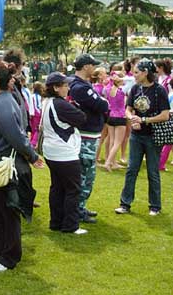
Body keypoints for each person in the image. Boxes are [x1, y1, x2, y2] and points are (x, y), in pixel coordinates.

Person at [0, 60, 43, 273]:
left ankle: (10, 257)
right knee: (0, 210)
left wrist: (32, 156)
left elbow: (15, 135)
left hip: (6, 166)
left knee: (8, 211)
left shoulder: (3, 102)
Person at [115, 60, 170, 216]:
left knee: (153, 172)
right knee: (131, 170)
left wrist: (144, 120)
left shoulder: (159, 90)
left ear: (146, 72)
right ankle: (125, 204)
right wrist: (132, 118)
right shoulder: (135, 88)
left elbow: (165, 115)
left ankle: (155, 206)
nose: (134, 75)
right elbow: (128, 109)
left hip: (153, 137)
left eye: (137, 72)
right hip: (136, 136)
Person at [41, 72, 87, 234]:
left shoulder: (47, 101)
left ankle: (56, 222)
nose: (68, 88)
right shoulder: (60, 104)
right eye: (65, 85)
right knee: (72, 189)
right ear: (56, 88)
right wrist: (75, 105)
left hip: (52, 151)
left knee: (58, 188)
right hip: (64, 152)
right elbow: (81, 118)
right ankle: (70, 225)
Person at [69, 54, 109, 224]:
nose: (94, 68)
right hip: (85, 135)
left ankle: (80, 207)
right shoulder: (79, 87)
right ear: (86, 66)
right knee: (85, 174)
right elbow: (102, 105)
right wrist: (102, 101)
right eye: (92, 65)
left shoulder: (81, 84)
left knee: (85, 173)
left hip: (87, 134)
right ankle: (77, 210)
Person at [102, 71, 127, 171]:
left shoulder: (108, 89)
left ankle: (113, 162)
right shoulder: (121, 92)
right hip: (120, 117)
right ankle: (108, 162)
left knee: (112, 140)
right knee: (117, 143)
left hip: (111, 116)